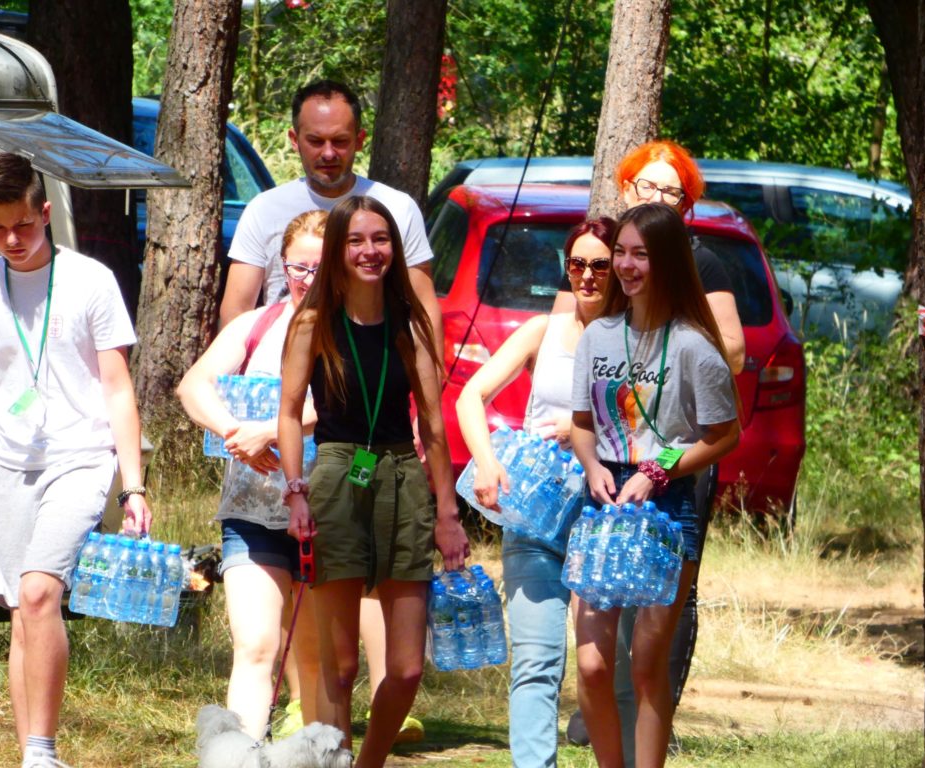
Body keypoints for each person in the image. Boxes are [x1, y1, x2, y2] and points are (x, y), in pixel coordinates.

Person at [0, 152, 151, 768]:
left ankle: (43, 749)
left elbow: (117, 388)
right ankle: (32, 753)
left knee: (37, 593)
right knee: (18, 609)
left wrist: (132, 486)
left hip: (81, 458)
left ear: (46, 212)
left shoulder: (90, 281)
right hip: (9, 464)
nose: (12, 240)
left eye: (23, 225)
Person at [562, 141, 745, 761]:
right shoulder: (598, 336)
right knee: (591, 665)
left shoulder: (694, 345)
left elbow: (724, 435)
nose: (626, 265)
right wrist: (592, 465)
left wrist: (658, 469)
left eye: (641, 254)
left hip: (667, 506)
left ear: (667, 261)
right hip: (605, 504)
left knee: (646, 666)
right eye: (621, 252)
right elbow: (582, 424)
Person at [277, 196, 469, 768]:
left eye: (380, 239)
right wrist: (296, 490)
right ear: (338, 249)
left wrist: (447, 513)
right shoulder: (312, 321)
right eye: (356, 240)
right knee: (340, 667)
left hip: (403, 475)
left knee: (406, 668)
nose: (369, 251)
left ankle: (369, 763)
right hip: (337, 474)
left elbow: (433, 425)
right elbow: (289, 412)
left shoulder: (410, 323)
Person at [456, 218, 616, 767]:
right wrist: (486, 461)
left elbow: (653, 423)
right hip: (535, 509)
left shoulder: (636, 335)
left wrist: (582, 428)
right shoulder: (542, 330)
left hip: (603, 513)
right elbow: (471, 396)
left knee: (598, 666)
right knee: (535, 661)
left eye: (600, 265)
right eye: (577, 264)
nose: (587, 276)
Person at [177, 210, 327, 741]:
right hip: (251, 514)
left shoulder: (352, 331)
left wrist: (271, 430)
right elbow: (193, 386)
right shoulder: (256, 325)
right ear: (282, 265)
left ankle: (314, 743)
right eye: (299, 268)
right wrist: (234, 431)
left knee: (318, 661)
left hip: (326, 514)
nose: (308, 279)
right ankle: (241, 753)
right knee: (256, 646)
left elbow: (344, 405)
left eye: (321, 268)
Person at [219, 79, 440, 342]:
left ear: (359, 140)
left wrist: (431, 368)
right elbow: (236, 312)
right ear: (294, 140)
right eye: (315, 141)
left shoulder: (397, 208)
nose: (328, 153)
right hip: (281, 359)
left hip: (372, 361)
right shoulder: (264, 209)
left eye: (340, 141)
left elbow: (424, 310)